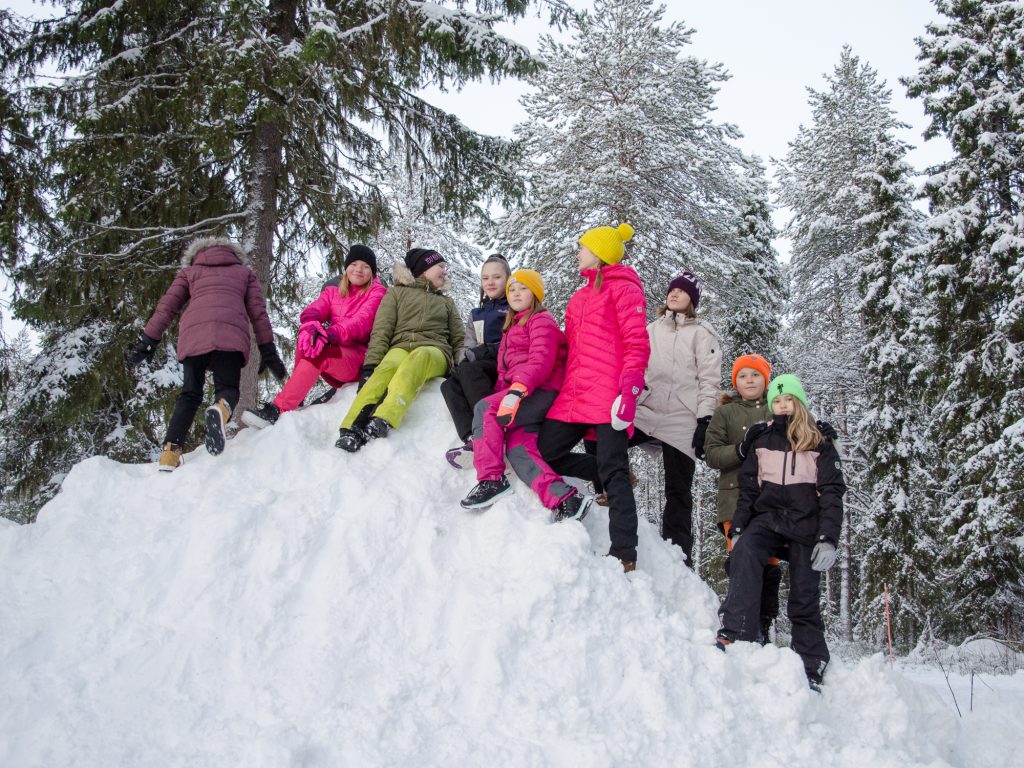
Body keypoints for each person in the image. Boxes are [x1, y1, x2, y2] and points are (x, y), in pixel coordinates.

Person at [715, 374, 846, 692]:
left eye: (788, 399)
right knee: (744, 555)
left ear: (799, 402)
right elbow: (748, 490)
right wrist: (741, 525)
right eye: (776, 400)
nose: (782, 405)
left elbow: (831, 493)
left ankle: (811, 663)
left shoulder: (819, 442)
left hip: (805, 526)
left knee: (804, 594)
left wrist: (828, 538)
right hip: (768, 520)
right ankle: (738, 632)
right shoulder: (762, 440)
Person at [538, 223, 650, 572]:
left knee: (614, 473)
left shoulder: (624, 290)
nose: (578, 252)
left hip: (608, 396)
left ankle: (625, 554)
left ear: (600, 254)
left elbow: (637, 344)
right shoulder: (579, 296)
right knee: (544, 452)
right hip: (574, 394)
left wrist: (629, 392)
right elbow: (568, 347)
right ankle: (606, 469)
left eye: (583, 247)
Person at [126, 237, 285, 470]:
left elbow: (166, 307)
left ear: (197, 254)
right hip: (229, 336)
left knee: (189, 394)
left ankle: (169, 454)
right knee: (227, 389)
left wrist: (148, 341)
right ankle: (220, 408)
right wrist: (267, 350)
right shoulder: (244, 273)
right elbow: (258, 313)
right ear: (234, 254)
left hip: (194, 336)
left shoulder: (190, 272)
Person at [460, 269, 591, 519]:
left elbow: (540, 362)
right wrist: (506, 394)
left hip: (539, 390)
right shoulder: (511, 328)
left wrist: (515, 393)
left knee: (484, 409)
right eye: (512, 289)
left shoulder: (541, 320)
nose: (516, 293)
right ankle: (566, 498)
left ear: (536, 294)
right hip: (521, 393)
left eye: (523, 288)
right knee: (519, 449)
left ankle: (491, 480)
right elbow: (502, 372)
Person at [631, 272, 721, 567]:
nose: (675, 294)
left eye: (682, 292)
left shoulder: (703, 332)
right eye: (672, 290)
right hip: (647, 408)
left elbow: (709, 380)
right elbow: (636, 363)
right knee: (607, 437)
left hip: (683, 416)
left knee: (678, 490)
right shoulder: (652, 328)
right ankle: (610, 495)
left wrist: (704, 419)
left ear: (692, 300)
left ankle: (678, 558)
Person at [242, 245, 386, 428]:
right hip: (337, 356)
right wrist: (310, 326)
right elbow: (314, 310)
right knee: (308, 338)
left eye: (365, 266)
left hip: (359, 360)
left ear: (372, 272)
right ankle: (295, 397)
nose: (358, 269)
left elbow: (361, 322)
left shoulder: (377, 292)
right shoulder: (333, 292)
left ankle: (277, 410)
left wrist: (330, 334)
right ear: (346, 267)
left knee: (321, 350)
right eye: (354, 264)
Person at [334, 247, 464, 452]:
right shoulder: (396, 293)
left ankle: (384, 418)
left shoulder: (446, 302)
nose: (445, 271)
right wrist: (370, 367)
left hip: (435, 351)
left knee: (419, 357)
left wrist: (462, 364)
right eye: (440, 266)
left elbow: (459, 338)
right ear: (424, 269)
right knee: (388, 366)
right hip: (401, 347)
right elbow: (382, 330)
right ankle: (351, 427)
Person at [704, 354, 780, 643]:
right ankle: (739, 623)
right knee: (740, 558)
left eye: (755, 375)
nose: (749, 380)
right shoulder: (726, 413)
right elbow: (712, 453)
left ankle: (765, 622)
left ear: (766, 380)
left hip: (773, 499)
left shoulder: (777, 409)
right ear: (735, 381)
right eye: (743, 376)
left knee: (770, 562)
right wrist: (741, 448)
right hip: (734, 500)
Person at [441, 254, 511, 467]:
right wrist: (463, 361)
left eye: (497, 277)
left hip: (502, 362)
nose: (490, 282)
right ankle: (471, 437)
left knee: (470, 371)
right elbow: (468, 344)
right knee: (449, 384)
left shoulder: (511, 308)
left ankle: (489, 431)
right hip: (479, 362)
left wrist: (481, 353)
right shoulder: (477, 313)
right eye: (485, 278)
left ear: (508, 279)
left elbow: (513, 342)